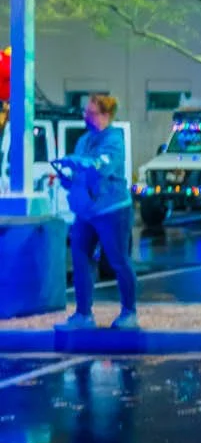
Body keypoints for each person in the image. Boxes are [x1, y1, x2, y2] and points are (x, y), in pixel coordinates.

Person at [53, 93, 138, 332]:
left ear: (105, 115)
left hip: (113, 210)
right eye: (85, 112)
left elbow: (101, 166)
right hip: (86, 212)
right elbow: (83, 174)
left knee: (119, 261)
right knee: (80, 259)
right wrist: (69, 180)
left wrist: (77, 162)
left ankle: (129, 312)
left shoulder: (114, 140)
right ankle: (83, 314)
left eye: (90, 113)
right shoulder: (84, 140)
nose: (85, 117)